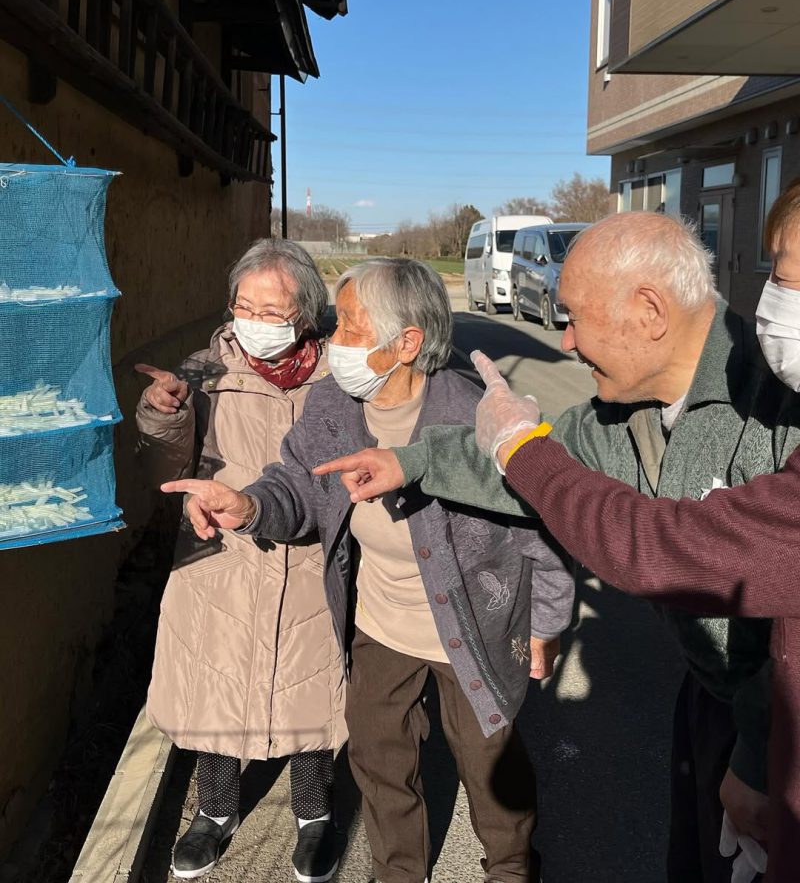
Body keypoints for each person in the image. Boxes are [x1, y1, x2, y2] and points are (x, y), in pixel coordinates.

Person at [313, 214, 800, 883]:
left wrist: (756, 752)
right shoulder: (623, 412)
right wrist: (410, 461)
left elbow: (670, 554)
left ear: (649, 311)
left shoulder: (776, 407)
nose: (564, 339)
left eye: (574, 317)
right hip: (712, 699)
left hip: (778, 726)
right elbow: (533, 473)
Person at [161, 257, 575, 883]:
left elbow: (539, 525)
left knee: (488, 760)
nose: (335, 339)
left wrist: (545, 623)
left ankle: (511, 867)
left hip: (475, 624)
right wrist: (249, 506)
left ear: (406, 343)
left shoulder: (472, 412)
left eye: (351, 325)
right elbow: (298, 482)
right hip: (380, 624)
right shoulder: (334, 403)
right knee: (380, 762)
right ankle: (399, 871)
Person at [135, 239, 345, 882]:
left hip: (308, 556)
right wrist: (163, 416)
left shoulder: (341, 377)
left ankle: (314, 813)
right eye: (242, 306)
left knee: (313, 689)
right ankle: (215, 812)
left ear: (305, 314)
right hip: (221, 557)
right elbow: (163, 468)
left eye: (271, 310)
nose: (253, 320)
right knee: (216, 686)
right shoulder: (204, 372)